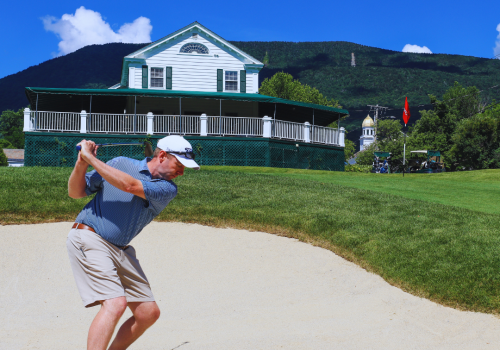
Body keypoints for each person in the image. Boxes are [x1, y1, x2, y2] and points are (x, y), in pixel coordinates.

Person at [66, 135, 200, 350]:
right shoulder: (120, 164)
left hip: (120, 250)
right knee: (115, 304)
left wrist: (90, 158)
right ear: (163, 155)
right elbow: (75, 192)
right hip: (90, 237)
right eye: (180, 164)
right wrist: (81, 163)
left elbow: (129, 186)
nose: (182, 172)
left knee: (148, 313)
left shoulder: (167, 189)